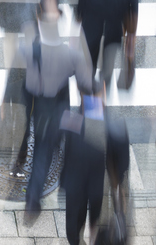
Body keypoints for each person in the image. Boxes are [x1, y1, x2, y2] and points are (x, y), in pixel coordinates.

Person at [20, 6, 93, 221]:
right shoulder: (71, 55)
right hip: (61, 110)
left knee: (41, 153)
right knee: (63, 144)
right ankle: (65, 181)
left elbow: (22, 83)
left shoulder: (28, 50)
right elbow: (87, 84)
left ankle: (33, 199)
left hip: (40, 110)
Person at [60, 89, 130, 245]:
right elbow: (122, 163)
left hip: (87, 186)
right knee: (89, 221)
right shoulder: (111, 126)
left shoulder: (73, 122)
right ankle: (89, 238)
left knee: (78, 223)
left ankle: (85, 239)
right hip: (95, 186)